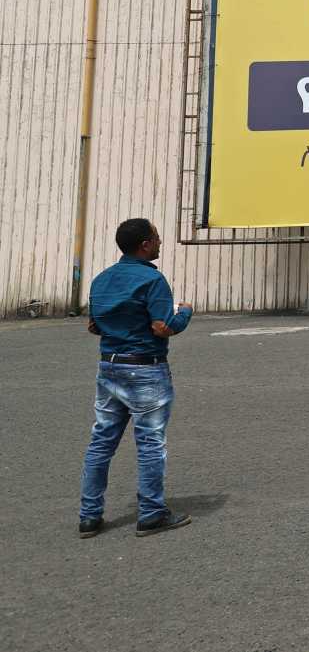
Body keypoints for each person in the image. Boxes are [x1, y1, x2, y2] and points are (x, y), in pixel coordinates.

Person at [78, 218, 193, 538]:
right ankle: (152, 513)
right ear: (144, 244)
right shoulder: (152, 281)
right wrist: (185, 312)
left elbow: (94, 327)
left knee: (101, 443)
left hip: (109, 367)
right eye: (156, 238)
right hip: (145, 370)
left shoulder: (101, 280)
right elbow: (162, 327)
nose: (159, 242)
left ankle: (89, 516)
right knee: (150, 443)